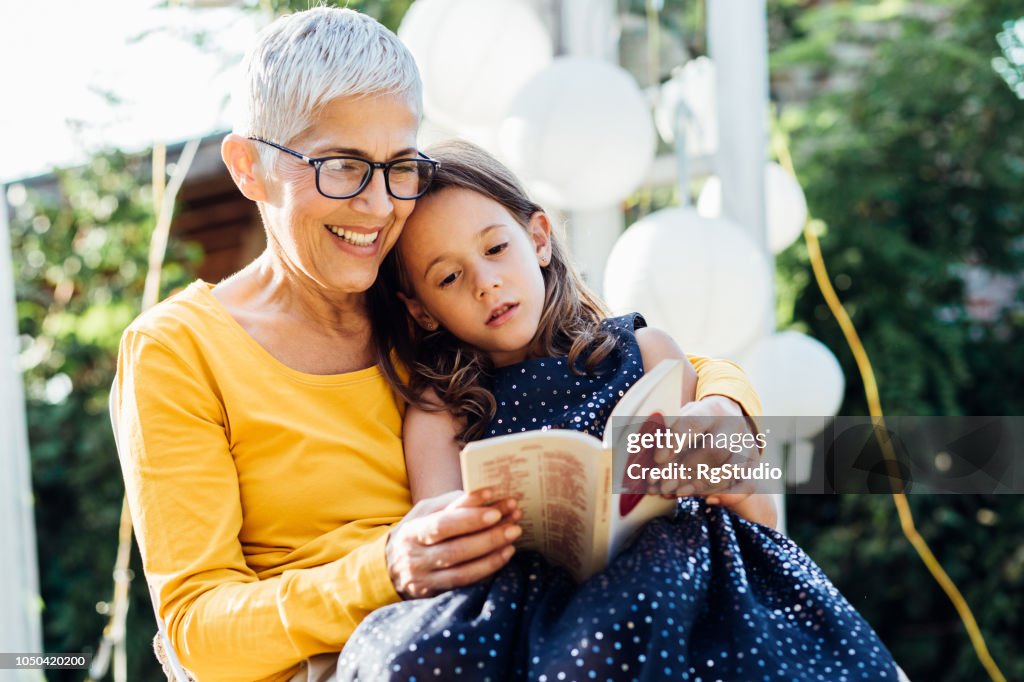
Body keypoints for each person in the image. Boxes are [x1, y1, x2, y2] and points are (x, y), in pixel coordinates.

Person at [112, 7, 769, 681]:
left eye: (399, 165)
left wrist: (726, 406)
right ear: (248, 167)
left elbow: (612, 352)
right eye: (342, 166)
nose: (376, 207)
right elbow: (197, 630)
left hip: (519, 641)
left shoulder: (436, 293)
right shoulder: (177, 350)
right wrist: (386, 568)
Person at [334, 140, 901, 681]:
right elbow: (441, 546)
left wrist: (722, 469)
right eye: (449, 277)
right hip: (523, 596)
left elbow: (755, 516)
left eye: (496, 248)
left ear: (537, 238)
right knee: (411, 660)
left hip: (671, 573)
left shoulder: (643, 351)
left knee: (628, 616)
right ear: (422, 310)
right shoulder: (441, 408)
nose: (486, 283)